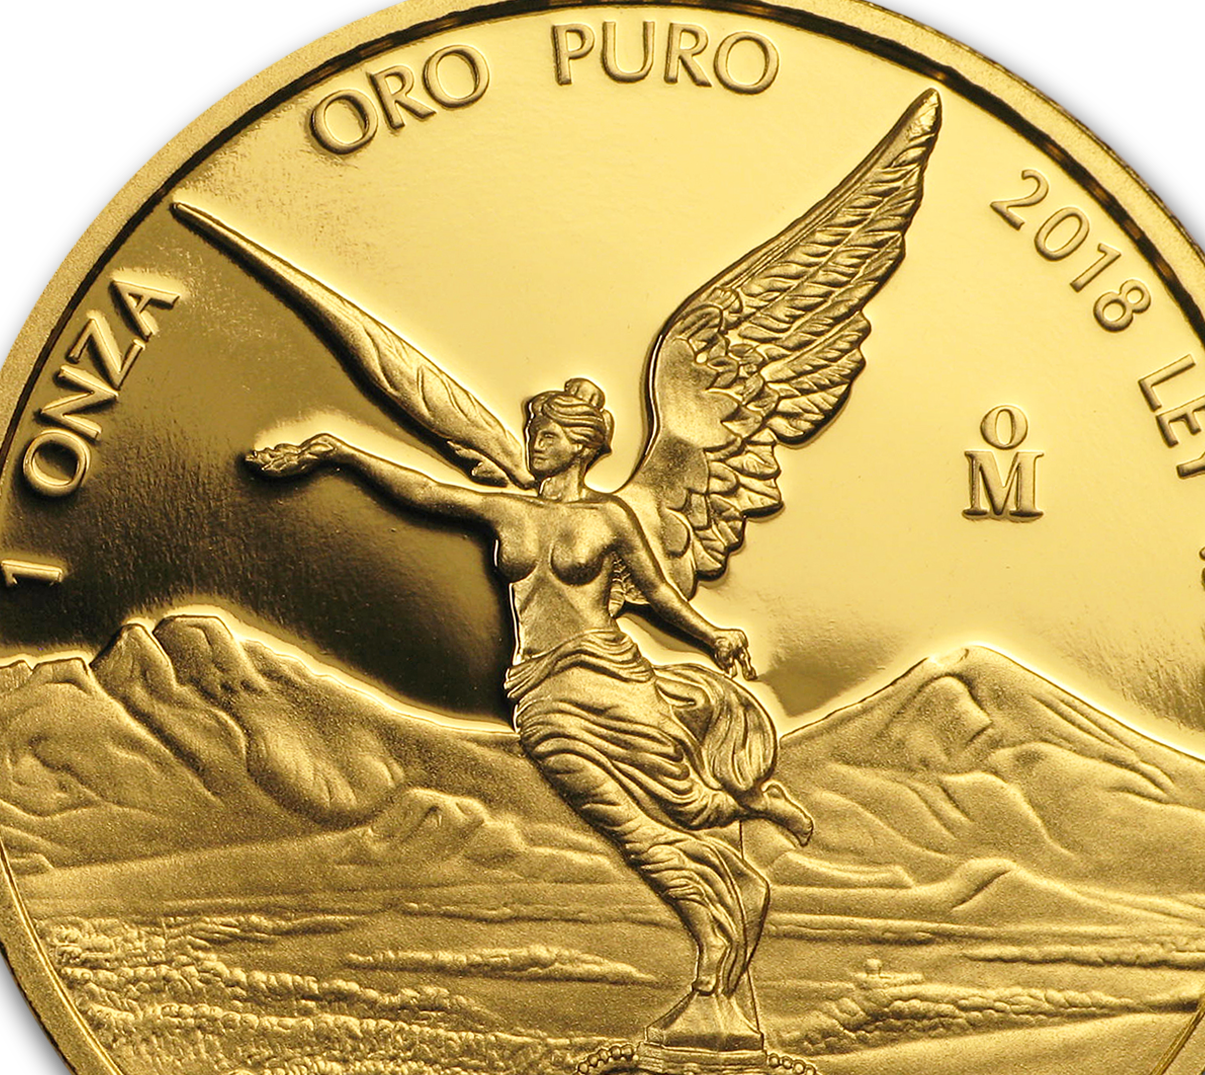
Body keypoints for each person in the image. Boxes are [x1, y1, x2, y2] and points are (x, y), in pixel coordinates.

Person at [250, 377, 811, 1003]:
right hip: (539, 688)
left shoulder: (610, 519)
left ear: (579, 446)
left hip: (606, 672)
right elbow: (428, 492)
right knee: (617, 818)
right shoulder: (508, 511)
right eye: (533, 433)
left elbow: (657, 593)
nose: (532, 443)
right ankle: (726, 899)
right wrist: (343, 454)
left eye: (546, 434)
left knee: (678, 799)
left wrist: (712, 635)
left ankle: (748, 815)